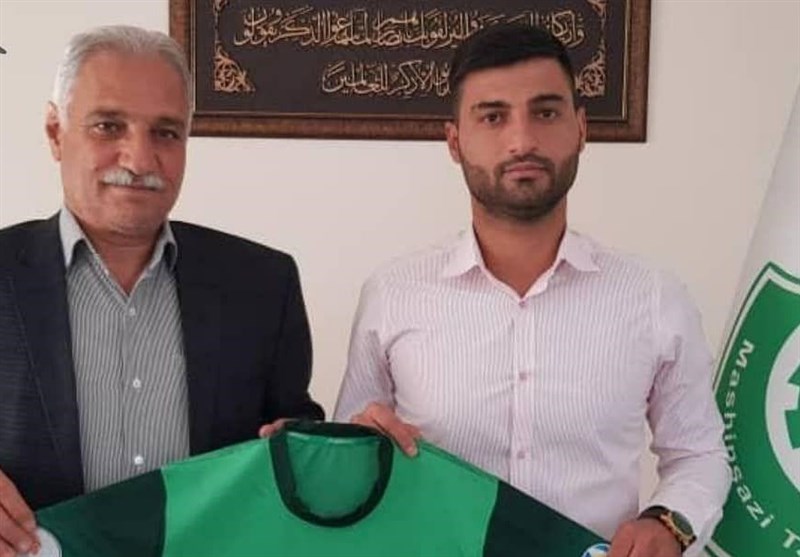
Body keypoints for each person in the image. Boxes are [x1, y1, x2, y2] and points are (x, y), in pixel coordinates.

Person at [334, 24, 730, 557]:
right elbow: (350, 456)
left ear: (580, 128)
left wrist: (668, 523)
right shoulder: (392, 295)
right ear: (454, 142)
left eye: (545, 112)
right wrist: (354, 447)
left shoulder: (653, 296)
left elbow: (699, 454)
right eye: (492, 117)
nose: (522, 141)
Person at [0, 25, 323, 556]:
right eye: (108, 126)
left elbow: (294, 433)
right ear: (55, 132)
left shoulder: (264, 285)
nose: (139, 159)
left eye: (166, 132)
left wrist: (305, 448)